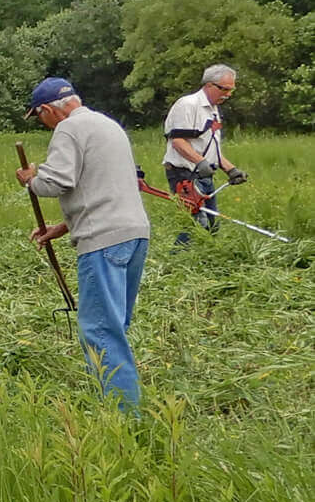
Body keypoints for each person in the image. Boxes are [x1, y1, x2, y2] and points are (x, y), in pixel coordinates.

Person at [16, 77, 151, 414]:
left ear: (47, 110)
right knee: (115, 326)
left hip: (102, 241)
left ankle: (124, 421)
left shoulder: (68, 129)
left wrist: (31, 179)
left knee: (101, 332)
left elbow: (57, 182)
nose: (43, 124)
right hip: (133, 234)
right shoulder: (107, 125)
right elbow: (103, 185)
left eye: (39, 117)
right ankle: (122, 402)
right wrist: (64, 226)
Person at [161, 64, 247, 245]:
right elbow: (178, 141)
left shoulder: (213, 109)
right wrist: (200, 162)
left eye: (231, 90)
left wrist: (231, 170)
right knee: (193, 226)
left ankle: (207, 264)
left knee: (212, 226)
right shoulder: (188, 105)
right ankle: (177, 265)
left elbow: (210, 148)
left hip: (204, 174)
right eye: (224, 89)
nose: (228, 95)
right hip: (184, 174)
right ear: (209, 85)